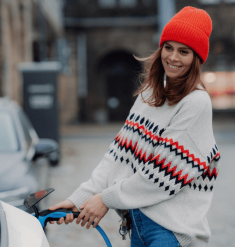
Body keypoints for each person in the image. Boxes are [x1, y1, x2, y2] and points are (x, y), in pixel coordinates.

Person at [50, 6, 221, 247]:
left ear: (196, 59)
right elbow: (118, 155)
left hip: (170, 231)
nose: (173, 57)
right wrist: (81, 198)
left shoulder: (196, 101)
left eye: (184, 51)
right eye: (168, 47)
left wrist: (106, 199)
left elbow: (162, 174)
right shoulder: (149, 95)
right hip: (137, 224)